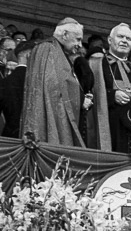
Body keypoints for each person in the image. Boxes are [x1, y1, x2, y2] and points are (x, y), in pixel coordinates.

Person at [88, 22, 131, 153]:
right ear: (109, 40)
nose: (124, 41)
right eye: (120, 37)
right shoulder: (96, 64)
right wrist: (112, 96)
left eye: (128, 39)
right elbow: (90, 94)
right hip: (112, 127)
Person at [21, 18, 86, 147]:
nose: (80, 45)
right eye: (78, 39)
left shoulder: (58, 51)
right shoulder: (46, 48)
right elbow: (49, 88)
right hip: (51, 116)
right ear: (65, 34)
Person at [0, 41, 38, 137]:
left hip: (11, 140)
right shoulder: (42, 81)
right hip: (39, 141)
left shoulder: (3, 83)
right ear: (29, 55)